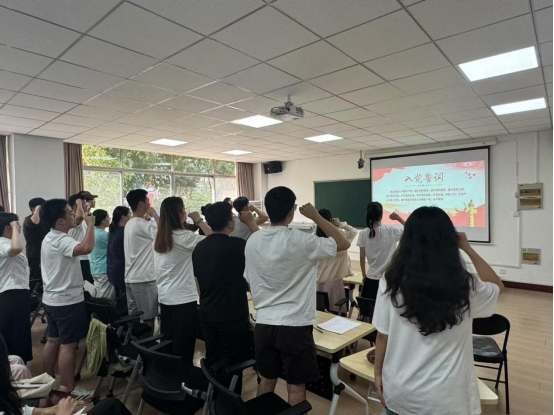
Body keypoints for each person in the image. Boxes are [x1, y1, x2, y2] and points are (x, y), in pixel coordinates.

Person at [373, 207, 504, 415]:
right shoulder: (466, 285)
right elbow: (497, 286)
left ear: (406, 241)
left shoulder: (390, 281)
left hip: (400, 391)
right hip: (449, 398)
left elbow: (382, 336)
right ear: (450, 240)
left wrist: (378, 374)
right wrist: (468, 248)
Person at [245, 187, 351, 406]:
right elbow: (343, 243)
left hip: (263, 324)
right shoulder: (302, 241)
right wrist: (316, 217)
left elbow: (250, 279)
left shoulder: (253, 240)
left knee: (266, 380)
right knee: (296, 387)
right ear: (292, 212)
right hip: (295, 326)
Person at [193, 202, 255, 393]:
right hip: (233, 316)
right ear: (229, 223)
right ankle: (230, 402)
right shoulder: (239, 245)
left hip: (207, 312)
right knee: (234, 364)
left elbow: (199, 286)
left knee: (214, 358)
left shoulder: (199, 247)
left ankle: (214, 398)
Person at [40, 199, 95, 395]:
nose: (73, 215)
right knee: (68, 345)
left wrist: (81, 213)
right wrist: (90, 225)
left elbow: (77, 222)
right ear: (60, 221)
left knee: (53, 340)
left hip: (52, 299)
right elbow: (86, 248)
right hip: (67, 301)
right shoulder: (61, 240)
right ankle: (68, 388)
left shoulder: (51, 236)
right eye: (69, 213)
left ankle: (49, 381)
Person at [153, 197, 212, 365]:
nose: (186, 212)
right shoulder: (184, 237)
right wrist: (199, 220)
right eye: (184, 209)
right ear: (178, 214)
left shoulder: (160, 236)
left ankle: (169, 377)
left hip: (165, 297)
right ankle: (183, 377)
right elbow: (215, 240)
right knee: (184, 346)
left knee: (169, 343)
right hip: (183, 299)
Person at [124, 189, 159, 331]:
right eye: (148, 200)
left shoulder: (130, 223)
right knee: (148, 318)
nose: (150, 204)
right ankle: (148, 345)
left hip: (131, 277)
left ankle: (134, 345)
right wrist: (155, 215)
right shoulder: (141, 224)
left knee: (134, 319)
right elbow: (164, 233)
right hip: (143, 278)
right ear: (141, 204)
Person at [0, 213, 32, 363]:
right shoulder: (2, 243)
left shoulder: (5, 242)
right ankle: (14, 367)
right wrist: (14, 227)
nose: (19, 228)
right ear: (8, 228)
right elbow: (16, 248)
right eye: (17, 225)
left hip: (16, 293)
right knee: (15, 334)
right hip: (11, 294)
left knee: (18, 333)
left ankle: (16, 365)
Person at [358, 202, 405, 300]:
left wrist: (364, 275)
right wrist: (398, 218)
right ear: (382, 214)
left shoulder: (363, 233)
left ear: (367, 214)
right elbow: (411, 229)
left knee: (371, 306)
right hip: (388, 279)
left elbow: (362, 256)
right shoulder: (391, 230)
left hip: (371, 278)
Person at [316, 209, 358, 314]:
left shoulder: (314, 238)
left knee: (320, 310)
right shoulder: (340, 238)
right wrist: (339, 224)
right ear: (330, 220)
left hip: (317, 280)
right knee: (335, 310)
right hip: (334, 281)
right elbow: (353, 231)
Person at [107, 207, 131, 316]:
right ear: (123, 217)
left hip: (113, 269)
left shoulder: (113, 230)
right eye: (129, 214)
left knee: (119, 299)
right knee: (124, 300)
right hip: (121, 270)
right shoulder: (124, 232)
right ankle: (125, 322)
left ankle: (120, 322)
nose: (131, 216)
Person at [22, 198, 49, 291]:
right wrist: (37, 209)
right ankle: (33, 297)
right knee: (35, 279)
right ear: (33, 209)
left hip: (46, 253)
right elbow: (35, 222)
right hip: (35, 255)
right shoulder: (28, 220)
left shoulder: (44, 220)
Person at [68, 194, 93, 285]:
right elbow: (80, 216)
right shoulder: (73, 219)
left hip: (85, 258)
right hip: (80, 259)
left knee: (90, 286)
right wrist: (79, 202)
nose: (87, 206)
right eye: (84, 205)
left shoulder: (83, 220)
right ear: (76, 206)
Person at [90, 210, 114, 300]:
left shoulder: (92, 232)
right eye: (107, 217)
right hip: (104, 269)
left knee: (98, 293)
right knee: (105, 297)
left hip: (94, 268)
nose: (109, 219)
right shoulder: (104, 235)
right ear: (103, 220)